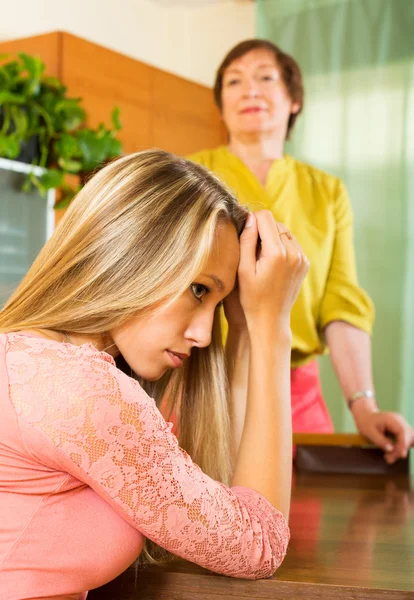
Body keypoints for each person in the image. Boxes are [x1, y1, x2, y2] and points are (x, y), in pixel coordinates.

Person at [0, 150, 309, 599]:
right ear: (129, 253)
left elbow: (223, 499)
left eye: (218, 306)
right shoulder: (84, 392)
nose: (205, 334)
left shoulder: (29, 358)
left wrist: (243, 328)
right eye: (198, 290)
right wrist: (272, 328)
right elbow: (257, 544)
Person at [189, 39, 414, 464]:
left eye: (265, 78)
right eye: (234, 81)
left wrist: (363, 404)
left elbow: (341, 302)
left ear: (293, 100)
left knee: (302, 520)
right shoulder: (191, 174)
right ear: (220, 106)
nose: (249, 90)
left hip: (297, 389)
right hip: (202, 377)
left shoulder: (327, 191)